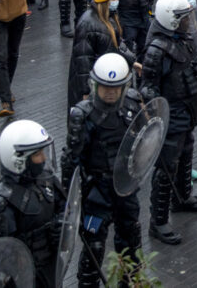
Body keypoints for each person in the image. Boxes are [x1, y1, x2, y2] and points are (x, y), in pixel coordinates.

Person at [62, 54, 144, 286]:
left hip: (126, 190)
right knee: (93, 250)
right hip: (96, 194)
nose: (110, 92)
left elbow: (144, 141)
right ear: (95, 85)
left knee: (131, 242)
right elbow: (71, 161)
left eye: (115, 88)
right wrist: (68, 206)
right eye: (105, 87)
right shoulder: (82, 115)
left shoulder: (132, 103)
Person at [141, 0, 197, 245]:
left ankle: (182, 198)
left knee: (186, 154)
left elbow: (192, 67)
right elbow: (148, 88)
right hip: (170, 115)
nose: (188, 22)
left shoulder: (185, 40)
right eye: (183, 18)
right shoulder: (157, 49)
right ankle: (157, 221)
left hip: (187, 110)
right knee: (166, 169)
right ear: (170, 20)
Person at [0, 120, 64, 288]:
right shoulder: (1, 201)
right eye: (38, 154)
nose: (44, 158)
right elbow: (3, 255)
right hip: (25, 278)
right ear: (19, 159)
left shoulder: (46, 180)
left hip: (51, 266)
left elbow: (66, 208)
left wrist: (61, 225)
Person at [68, 0, 129, 106]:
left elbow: (118, 45)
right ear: (105, 1)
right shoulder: (87, 24)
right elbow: (83, 62)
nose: (117, 1)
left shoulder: (109, 18)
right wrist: (86, 91)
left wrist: (132, 61)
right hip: (95, 85)